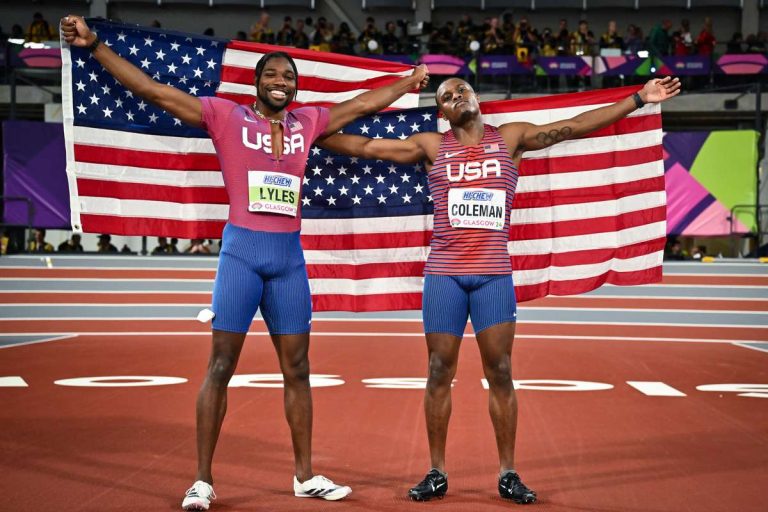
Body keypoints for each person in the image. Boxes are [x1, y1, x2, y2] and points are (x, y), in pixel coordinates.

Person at [60, 14, 428, 511]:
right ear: (257, 83)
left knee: (298, 369)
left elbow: (360, 105)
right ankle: (202, 481)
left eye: (289, 78)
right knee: (220, 366)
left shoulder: (308, 123)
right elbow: (153, 90)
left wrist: (407, 81)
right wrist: (95, 46)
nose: (282, 83)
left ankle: (304, 475)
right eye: (273, 76)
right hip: (240, 256)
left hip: (288, 261)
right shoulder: (226, 116)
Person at [318, 75, 681, 504]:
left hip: (492, 275)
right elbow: (363, 147)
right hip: (445, 276)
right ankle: (437, 471)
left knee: (501, 372)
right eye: (447, 97)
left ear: (476, 98)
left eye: (462, 91)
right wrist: (312, 134)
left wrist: (639, 98)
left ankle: (508, 472)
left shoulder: (510, 138)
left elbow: (578, 125)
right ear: (443, 112)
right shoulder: (431, 146)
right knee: (438, 371)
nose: (456, 97)